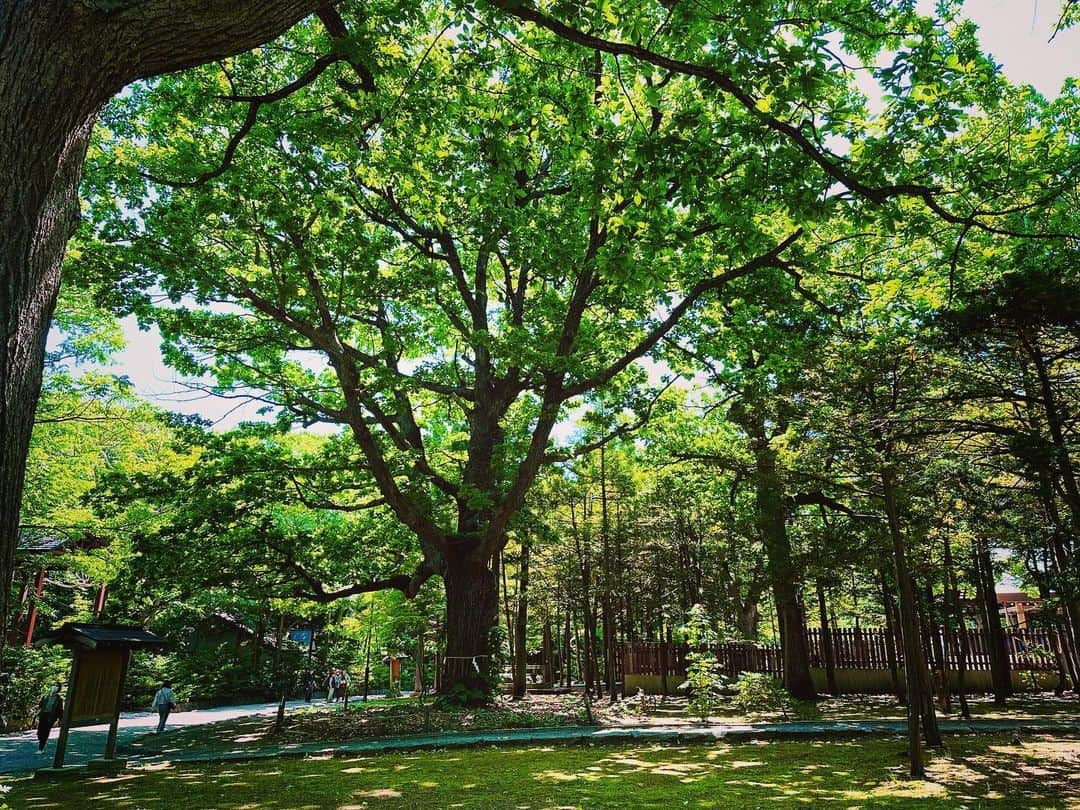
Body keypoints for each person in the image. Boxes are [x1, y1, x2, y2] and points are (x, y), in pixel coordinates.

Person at [35, 683, 63, 753]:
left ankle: (41, 748)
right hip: (43, 715)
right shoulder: (45, 696)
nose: (54, 687)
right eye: (54, 685)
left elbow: (60, 710)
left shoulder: (59, 699)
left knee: (46, 732)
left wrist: (59, 720)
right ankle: (41, 741)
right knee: (39, 732)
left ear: (58, 689)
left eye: (57, 686)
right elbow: (40, 707)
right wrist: (37, 716)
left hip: (51, 716)